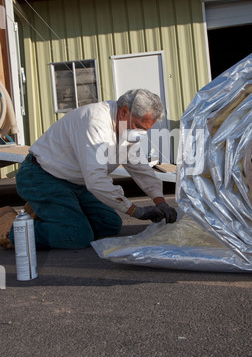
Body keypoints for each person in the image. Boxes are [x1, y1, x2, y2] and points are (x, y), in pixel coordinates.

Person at [5, 89, 177, 250]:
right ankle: (13, 230)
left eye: (146, 130)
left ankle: (52, 215)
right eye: (139, 126)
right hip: (41, 177)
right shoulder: (95, 123)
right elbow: (96, 181)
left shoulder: (125, 127)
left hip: (76, 182)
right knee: (78, 235)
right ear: (124, 111)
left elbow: (140, 168)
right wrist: (136, 210)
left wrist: (160, 202)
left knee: (110, 224)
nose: (140, 133)